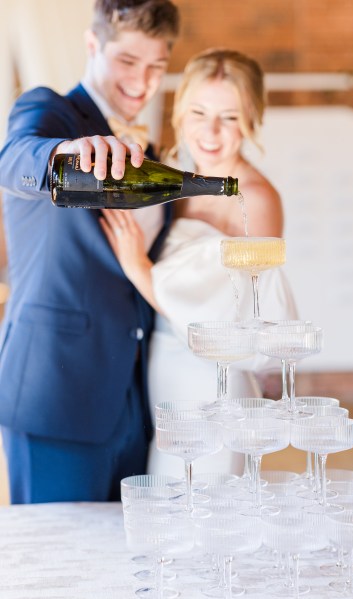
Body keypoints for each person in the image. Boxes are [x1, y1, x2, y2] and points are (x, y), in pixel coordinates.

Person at [0, 0, 180, 504]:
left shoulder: (154, 158)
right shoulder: (51, 112)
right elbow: (13, 159)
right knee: (57, 572)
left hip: (133, 402)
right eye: (127, 62)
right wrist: (62, 155)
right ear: (92, 44)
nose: (142, 83)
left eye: (156, 68)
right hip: (56, 395)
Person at [101, 48, 298, 478]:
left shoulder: (258, 200)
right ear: (180, 112)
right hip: (163, 373)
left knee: (205, 507)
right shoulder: (173, 179)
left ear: (251, 118)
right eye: (198, 111)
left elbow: (231, 327)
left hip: (213, 387)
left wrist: (139, 269)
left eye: (229, 117)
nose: (210, 130)